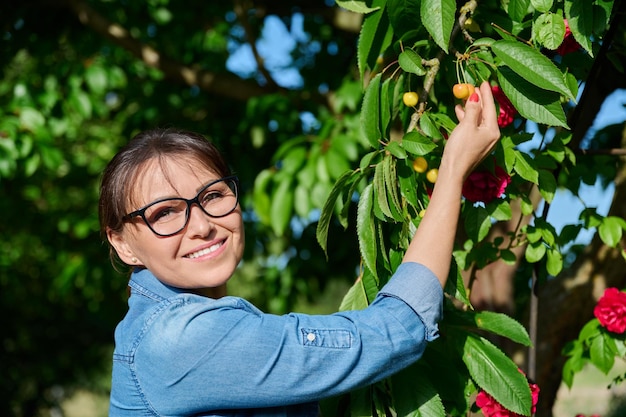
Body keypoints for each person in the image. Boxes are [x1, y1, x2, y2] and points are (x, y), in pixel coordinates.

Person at [100, 81, 500, 416]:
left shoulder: (168, 326)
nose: (202, 225)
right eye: (165, 213)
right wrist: (453, 171)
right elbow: (396, 329)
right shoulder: (182, 340)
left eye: (212, 195)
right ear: (122, 243)